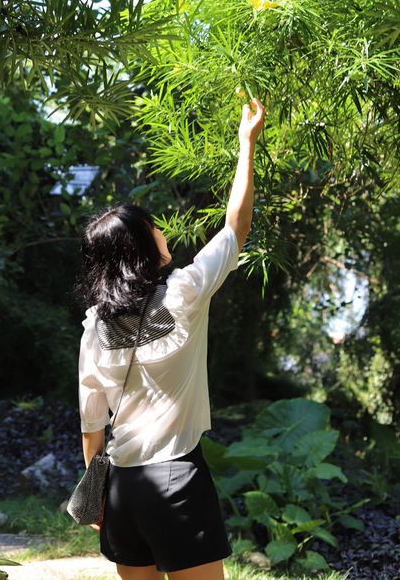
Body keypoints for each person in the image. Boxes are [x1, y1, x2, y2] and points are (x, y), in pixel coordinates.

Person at [77, 98, 265, 580]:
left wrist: (99, 496)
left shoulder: (96, 324)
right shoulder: (184, 292)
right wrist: (247, 144)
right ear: (142, 249)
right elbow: (235, 227)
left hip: (122, 486)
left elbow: (91, 427)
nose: (164, 233)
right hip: (175, 477)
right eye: (154, 228)